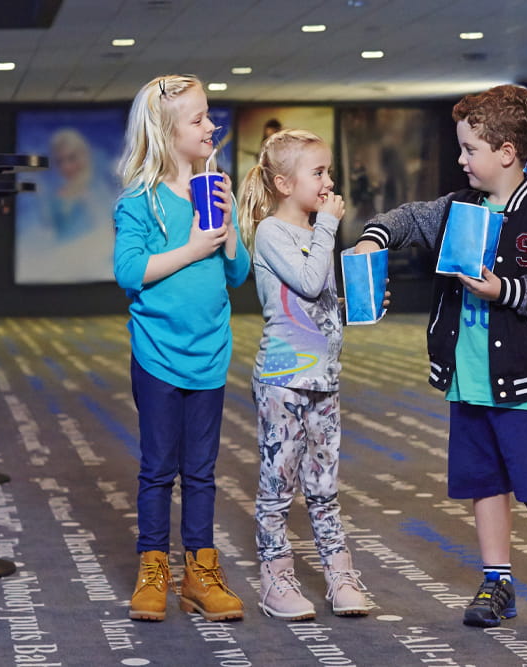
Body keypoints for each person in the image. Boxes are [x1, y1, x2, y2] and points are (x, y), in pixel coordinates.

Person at [353, 84, 527, 634]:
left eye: (470, 149)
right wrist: (374, 239)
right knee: (484, 483)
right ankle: (498, 582)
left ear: (506, 152)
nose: (461, 159)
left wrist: (507, 291)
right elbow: (407, 219)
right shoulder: (455, 208)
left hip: (525, 380)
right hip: (467, 380)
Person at [113, 74, 250, 624]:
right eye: (197, 119)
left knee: (202, 471)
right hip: (158, 356)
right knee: (157, 469)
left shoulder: (215, 187)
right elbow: (128, 272)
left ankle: (200, 572)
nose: (210, 125)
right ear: (166, 133)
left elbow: (237, 274)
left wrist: (231, 229)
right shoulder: (140, 202)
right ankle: (154, 570)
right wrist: (194, 247)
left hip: (209, 354)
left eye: (208, 115)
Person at [237, 128, 369, 621]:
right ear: (283, 183)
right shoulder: (273, 232)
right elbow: (309, 282)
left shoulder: (315, 234)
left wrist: (357, 304)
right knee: (279, 482)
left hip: (324, 379)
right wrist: (330, 229)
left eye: (328, 171)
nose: (329, 182)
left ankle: (339, 572)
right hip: (283, 381)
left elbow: (320, 304)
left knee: (324, 482)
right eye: (319, 172)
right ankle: (275, 576)